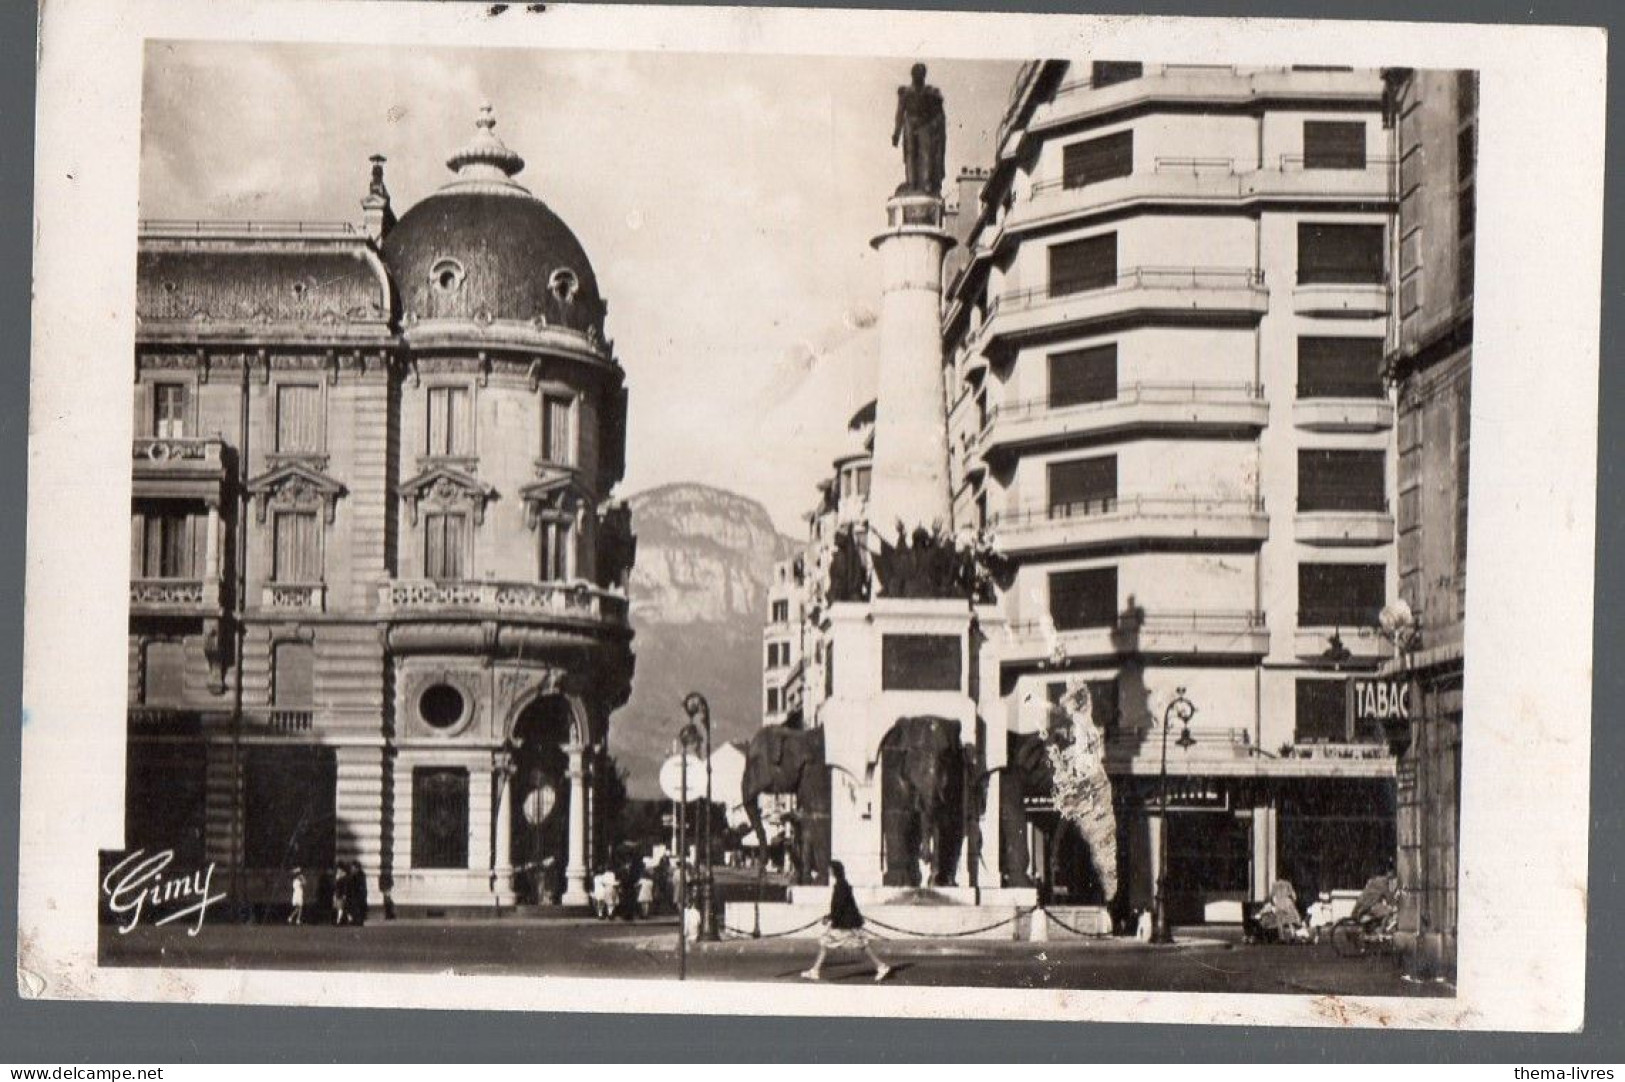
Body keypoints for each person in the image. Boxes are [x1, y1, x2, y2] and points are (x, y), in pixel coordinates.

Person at [801, 861, 892, 982]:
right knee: (830, 944)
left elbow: (839, 906)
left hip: (844, 924)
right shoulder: (842, 884)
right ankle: (815, 970)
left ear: (834, 871)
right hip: (845, 923)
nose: (829, 871)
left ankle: (881, 966)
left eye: (830, 869)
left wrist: (830, 917)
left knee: (860, 945)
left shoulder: (840, 886)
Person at [349, 861, 370, 927]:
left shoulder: (359, 875)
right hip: (357, 895)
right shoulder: (356, 875)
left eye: (352, 868)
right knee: (355, 908)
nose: (351, 869)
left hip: (359, 895)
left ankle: (358, 921)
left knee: (358, 908)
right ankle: (356, 920)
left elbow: (359, 886)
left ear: (356, 868)